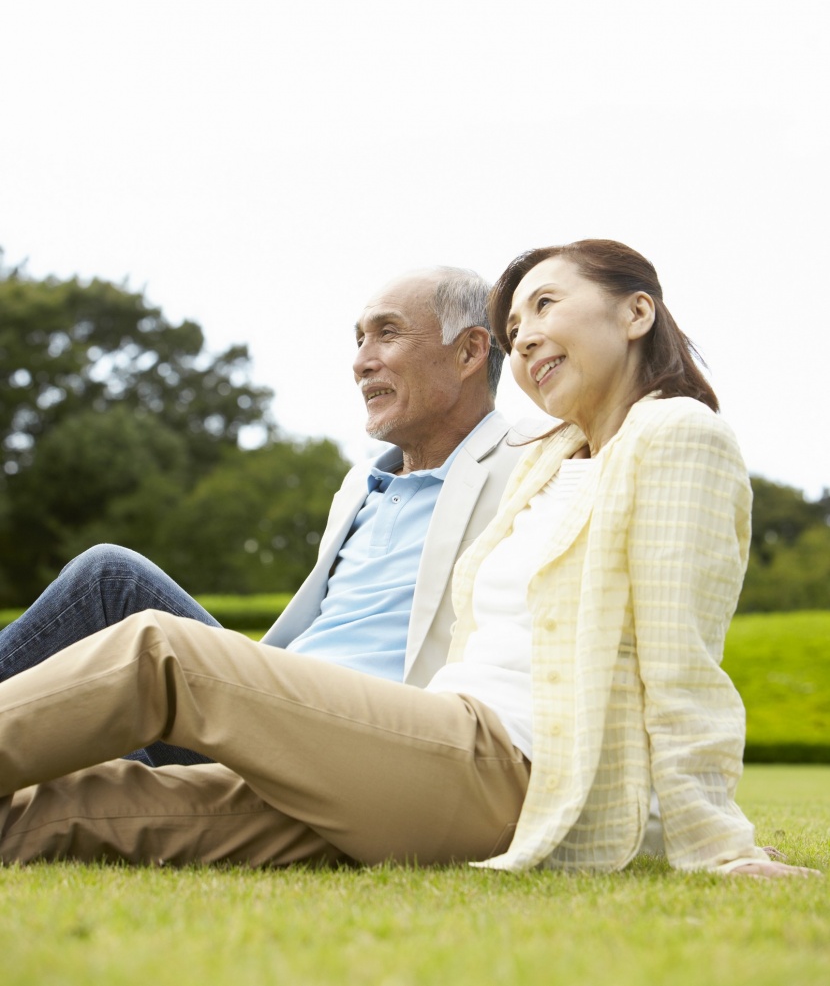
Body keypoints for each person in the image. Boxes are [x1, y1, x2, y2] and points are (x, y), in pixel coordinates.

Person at [0, 241, 815, 876]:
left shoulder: (676, 435)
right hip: (415, 766)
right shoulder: (555, 463)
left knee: (160, 648)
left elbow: (682, 659)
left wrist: (712, 838)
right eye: (516, 326)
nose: (525, 334)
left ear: (635, 313)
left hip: (502, 763)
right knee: (55, 812)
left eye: (545, 304)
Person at [0, 266, 532, 769]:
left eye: (387, 334)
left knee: (110, 579)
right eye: (359, 340)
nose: (361, 362)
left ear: (468, 351)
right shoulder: (359, 487)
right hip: (269, 713)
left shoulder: (532, 466)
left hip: (355, 741)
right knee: (85, 743)